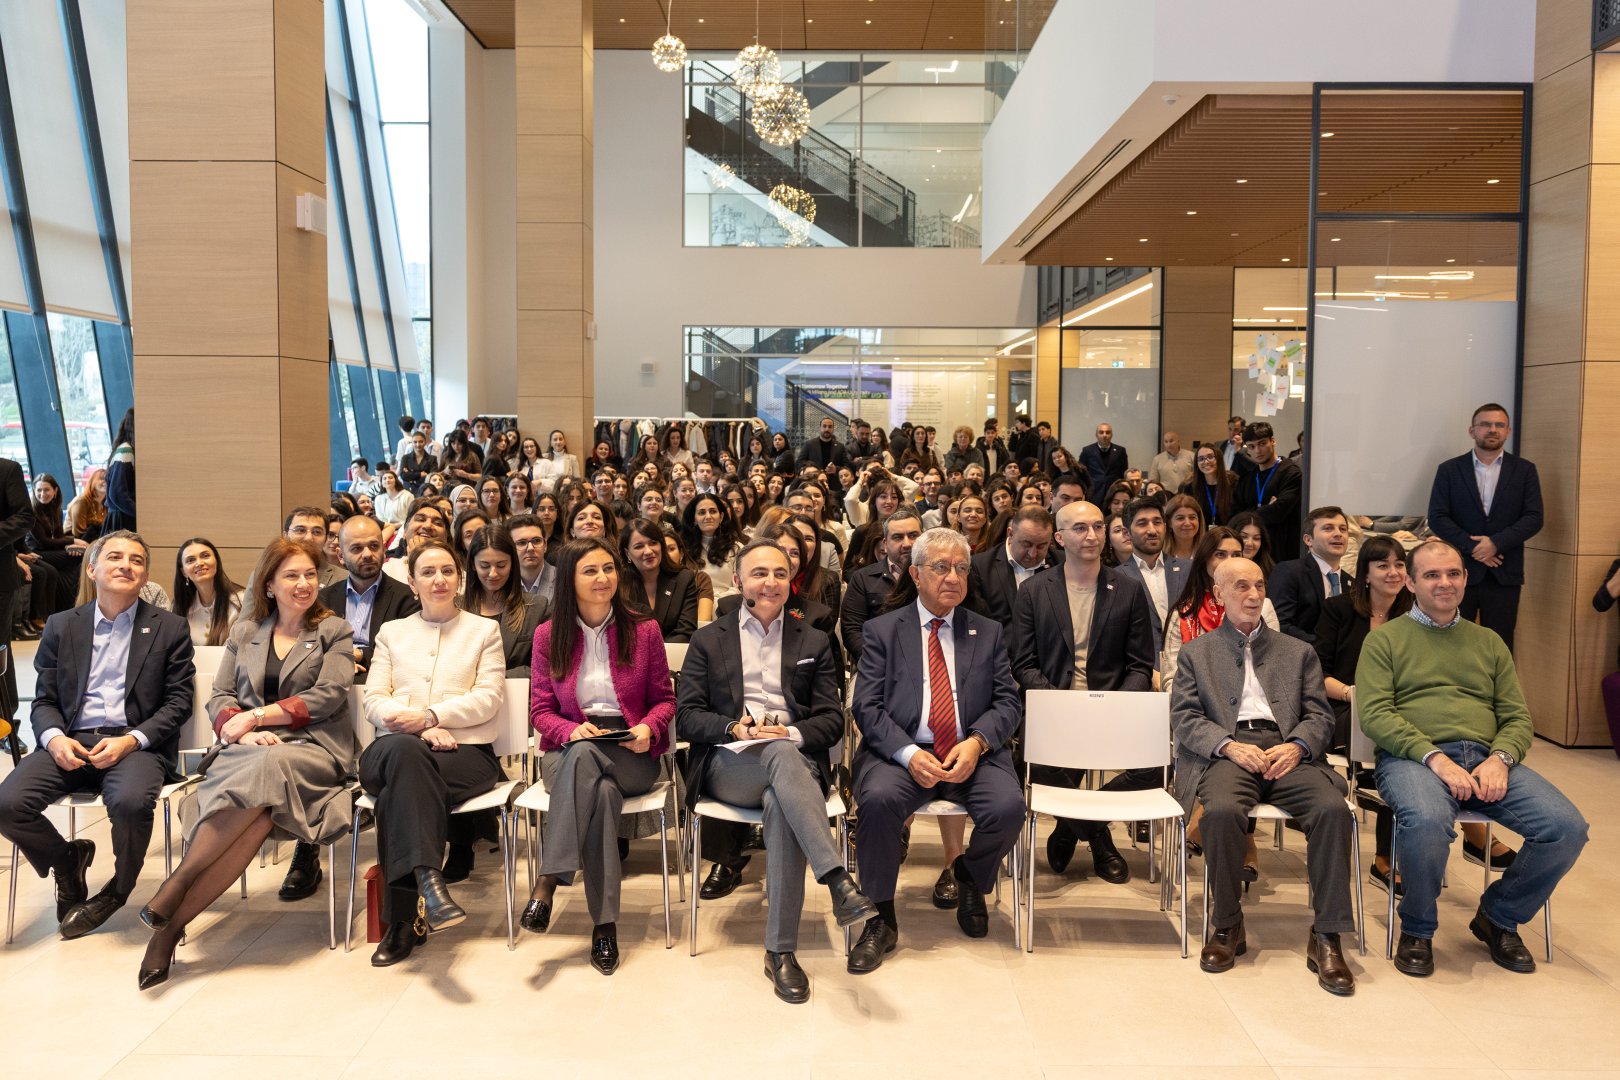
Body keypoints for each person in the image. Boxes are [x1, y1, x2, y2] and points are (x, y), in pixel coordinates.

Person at [1360, 539, 1587, 977]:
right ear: (1410, 581)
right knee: (1426, 820)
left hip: (1487, 761)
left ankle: (1499, 916)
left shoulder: (1488, 642)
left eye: (1453, 574)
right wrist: (1435, 759)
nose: (1444, 583)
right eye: (1431, 575)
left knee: (1566, 828)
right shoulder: (1385, 640)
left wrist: (1500, 758)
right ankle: (1418, 929)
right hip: (1414, 759)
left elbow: (1518, 717)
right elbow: (1375, 715)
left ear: (1465, 578)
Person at [136, 539, 356, 988]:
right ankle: (171, 929)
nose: (303, 584)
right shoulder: (245, 631)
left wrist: (259, 715)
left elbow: (328, 695)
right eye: (291, 576)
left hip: (312, 748)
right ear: (270, 584)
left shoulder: (334, 630)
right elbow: (219, 696)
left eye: (310, 575)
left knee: (267, 769)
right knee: (256, 810)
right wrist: (244, 727)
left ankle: (178, 886)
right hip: (247, 748)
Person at [677, 539, 877, 1002]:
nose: (771, 582)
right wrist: (733, 727)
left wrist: (789, 734)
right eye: (760, 573)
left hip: (792, 766)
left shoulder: (815, 640)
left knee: (780, 795)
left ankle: (780, 952)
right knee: (777, 757)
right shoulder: (710, 638)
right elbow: (687, 716)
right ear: (739, 579)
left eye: (781, 574)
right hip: (729, 765)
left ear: (792, 582)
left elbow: (831, 719)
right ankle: (837, 881)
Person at [1169, 557, 1357, 995]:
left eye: (1258, 586)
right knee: (1220, 812)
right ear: (1218, 595)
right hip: (1229, 750)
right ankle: (1227, 924)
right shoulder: (1197, 653)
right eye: (1240, 587)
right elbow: (1184, 717)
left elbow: (1319, 715)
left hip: (1289, 750)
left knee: (1331, 810)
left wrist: (1298, 746)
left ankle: (1327, 935)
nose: (1253, 595)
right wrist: (1229, 745)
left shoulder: (1298, 652)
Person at [847, 528, 1025, 973]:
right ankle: (880, 917)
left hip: (971, 751)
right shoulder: (883, 630)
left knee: (1008, 808)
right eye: (941, 567)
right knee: (879, 800)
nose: (953, 577)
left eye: (962, 568)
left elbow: (1008, 701)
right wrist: (907, 753)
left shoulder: (986, 631)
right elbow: (865, 706)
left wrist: (978, 741)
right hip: (902, 753)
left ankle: (969, 876)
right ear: (915, 573)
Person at [0, 531, 192, 939]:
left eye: (137, 560)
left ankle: (117, 891)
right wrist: (53, 738)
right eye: (116, 557)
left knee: (128, 802)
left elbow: (178, 703)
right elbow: (44, 699)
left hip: (135, 744)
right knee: (7, 803)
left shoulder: (169, 628)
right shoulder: (61, 625)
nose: (126, 565)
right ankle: (68, 860)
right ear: (92, 569)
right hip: (71, 739)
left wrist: (132, 740)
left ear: (144, 576)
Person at [525, 538, 673, 975]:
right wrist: (570, 730)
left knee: (594, 766)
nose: (603, 578)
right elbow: (540, 711)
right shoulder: (547, 635)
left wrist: (650, 728)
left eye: (609, 568)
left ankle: (549, 880)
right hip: (570, 747)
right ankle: (604, 927)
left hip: (630, 749)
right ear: (570, 578)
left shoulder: (643, 630)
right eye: (590, 570)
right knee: (601, 793)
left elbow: (665, 700)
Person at [359, 541, 506, 967]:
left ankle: (403, 922)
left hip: (465, 753)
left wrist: (431, 715)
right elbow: (374, 699)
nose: (438, 579)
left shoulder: (484, 631)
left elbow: (489, 698)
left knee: (397, 795)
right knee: (405, 754)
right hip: (391, 747)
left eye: (447, 571)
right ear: (412, 581)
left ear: (460, 579)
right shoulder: (392, 632)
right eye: (428, 572)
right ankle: (429, 882)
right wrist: (416, 726)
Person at [1009, 501, 1156, 883]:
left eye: (1097, 527)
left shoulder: (1128, 589)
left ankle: (1068, 827)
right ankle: (1099, 836)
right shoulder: (1034, 591)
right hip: (1053, 708)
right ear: (1059, 538)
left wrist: (1113, 707)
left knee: (1154, 769)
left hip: (1113, 708)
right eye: (1079, 528)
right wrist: (1065, 706)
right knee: (1032, 761)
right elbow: (1023, 664)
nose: (1091, 535)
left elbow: (1140, 665)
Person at [1312, 534, 1412, 893]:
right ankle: (1385, 858)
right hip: (1342, 706)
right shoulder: (1339, 609)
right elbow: (1316, 673)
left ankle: (1388, 855)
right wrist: (1354, 693)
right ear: (1365, 574)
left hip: (1398, 713)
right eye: (1383, 565)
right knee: (1393, 747)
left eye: (1400, 564)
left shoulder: (1415, 614)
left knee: (1400, 747)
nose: (1393, 572)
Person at [1426, 403, 1543, 652]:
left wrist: (1496, 543)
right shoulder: (1449, 470)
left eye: (1499, 425)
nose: (1492, 430)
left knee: (1499, 646)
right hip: (1458, 573)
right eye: (1485, 424)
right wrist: (1475, 547)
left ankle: (1494, 692)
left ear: (1508, 431)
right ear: (1472, 431)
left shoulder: (1524, 470)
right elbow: (1437, 517)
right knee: (1453, 641)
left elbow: (1534, 517)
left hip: (1504, 572)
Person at [1112, 497, 1191, 671]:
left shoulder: (1189, 570)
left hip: (1189, 670)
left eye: (1157, 522)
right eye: (1142, 523)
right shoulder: (1116, 578)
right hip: (1142, 673)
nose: (1152, 530)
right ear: (1127, 533)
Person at [841, 506, 923, 665]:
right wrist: (877, 661)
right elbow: (852, 630)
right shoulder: (863, 578)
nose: (907, 544)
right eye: (898, 537)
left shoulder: (936, 575)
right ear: (885, 543)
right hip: (877, 663)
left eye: (913, 535)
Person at [462, 526, 547, 673]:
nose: (493, 573)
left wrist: (493, 682)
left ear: (512, 564)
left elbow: (543, 668)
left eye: (501, 565)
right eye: (485, 566)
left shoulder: (537, 607)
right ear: (473, 565)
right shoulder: (456, 608)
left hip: (517, 693)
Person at [1268, 506, 1353, 644]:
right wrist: (1323, 646)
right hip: (1301, 658)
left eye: (1343, 529)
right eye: (1328, 528)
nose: (1338, 534)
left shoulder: (1351, 583)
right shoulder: (1289, 571)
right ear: (1308, 540)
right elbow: (1279, 623)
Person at [966, 506, 1054, 628]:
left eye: (1041, 546)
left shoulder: (1062, 563)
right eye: (1026, 544)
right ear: (1010, 534)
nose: (1032, 554)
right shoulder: (980, 567)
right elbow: (979, 624)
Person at [1231, 422, 1303, 561]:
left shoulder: (1291, 473)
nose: (1257, 450)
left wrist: (1249, 513)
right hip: (1250, 552)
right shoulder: (1248, 477)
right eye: (1252, 446)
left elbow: (1278, 512)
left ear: (1273, 441)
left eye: (1262, 443)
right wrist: (1267, 508)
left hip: (1281, 551)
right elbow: (1234, 515)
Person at [621, 517, 698, 642]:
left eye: (653, 543)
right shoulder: (620, 583)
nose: (648, 551)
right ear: (627, 553)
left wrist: (659, 654)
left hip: (674, 655)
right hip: (633, 656)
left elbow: (686, 630)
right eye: (639, 546)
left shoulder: (684, 578)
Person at [171, 537, 244, 646]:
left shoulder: (242, 600)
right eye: (191, 560)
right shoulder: (179, 607)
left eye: (205, 556)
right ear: (184, 572)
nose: (199, 563)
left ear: (216, 561)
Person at [683, 491, 741, 602]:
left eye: (713, 511)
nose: (708, 516)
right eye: (701, 512)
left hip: (726, 606)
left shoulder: (736, 548)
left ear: (721, 517)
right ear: (694, 518)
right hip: (692, 606)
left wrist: (714, 602)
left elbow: (741, 586)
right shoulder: (683, 549)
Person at [506, 512, 558, 607]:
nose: (530, 548)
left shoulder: (562, 579)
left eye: (536, 541)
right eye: (521, 543)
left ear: (545, 545)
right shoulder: (503, 582)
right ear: (509, 548)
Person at [1185, 443, 1234, 527]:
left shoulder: (1233, 483)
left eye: (1210, 457)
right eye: (1201, 459)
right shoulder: (1190, 488)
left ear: (1219, 459)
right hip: (1201, 536)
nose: (1206, 462)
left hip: (1228, 535)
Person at [1079, 424, 1128, 506]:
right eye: (1101, 432)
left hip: (1114, 494)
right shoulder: (1087, 450)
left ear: (1111, 435)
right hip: (1093, 493)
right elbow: (1081, 473)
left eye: (1107, 432)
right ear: (1096, 435)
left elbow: (1123, 473)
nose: (1104, 435)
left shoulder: (1120, 451)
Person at [105, 408, 136, 532]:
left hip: (123, 516)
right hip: (122, 519)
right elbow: (117, 493)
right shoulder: (126, 451)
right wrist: (139, 513)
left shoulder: (126, 450)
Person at [1229, 510, 1276, 579]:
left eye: (1256, 538)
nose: (1249, 543)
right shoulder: (1221, 568)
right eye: (1244, 537)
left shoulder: (1272, 572)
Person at [66, 468, 108, 542]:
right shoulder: (81, 501)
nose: (106, 482)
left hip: (93, 541)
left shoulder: (106, 503)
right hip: (73, 542)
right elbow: (78, 533)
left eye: (108, 479)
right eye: (102, 479)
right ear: (93, 481)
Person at [534, 429, 581, 494]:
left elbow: (577, 480)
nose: (558, 442)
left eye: (560, 439)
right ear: (551, 443)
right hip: (547, 493)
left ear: (564, 442)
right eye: (555, 439)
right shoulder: (543, 457)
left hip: (566, 493)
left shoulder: (572, 458)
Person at [1163, 493, 1206, 562]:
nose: (1187, 523)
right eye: (1180, 518)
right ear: (1169, 522)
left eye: (1192, 517)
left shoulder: (1208, 552)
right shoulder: (1159, 555)